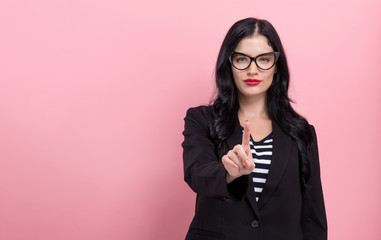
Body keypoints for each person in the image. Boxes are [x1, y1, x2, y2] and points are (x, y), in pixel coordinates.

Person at [181, 18, 327, 240]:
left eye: (264, 60)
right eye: (242, 59)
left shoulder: (302, 132)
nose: (252, 70)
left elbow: (313, 217)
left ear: (277, 65)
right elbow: (196, 173)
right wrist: (230, 173)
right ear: (228, 64)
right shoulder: (201, 119)